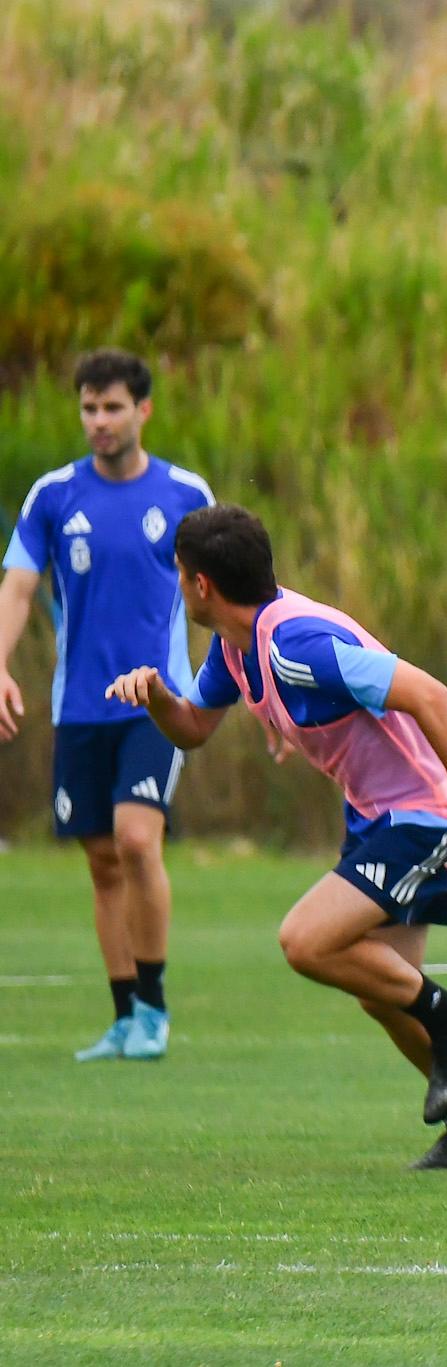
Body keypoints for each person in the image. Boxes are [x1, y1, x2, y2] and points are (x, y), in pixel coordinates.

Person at [106, 504, 447, 1170]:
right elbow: (195, 729)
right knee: (379, 986)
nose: (179, 587)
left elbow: (431, 696)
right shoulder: (239, 649)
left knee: (305, 939)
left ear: (202, 585)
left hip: (433, 804)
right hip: (384, 810)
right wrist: (153, 694)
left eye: (181, 575)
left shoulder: (297, 647)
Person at [0, 349, 214, 1062]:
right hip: (80, 708)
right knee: (101, 860)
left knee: (135, 839)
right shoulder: (54, 496)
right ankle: (125, 1015)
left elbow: (232, 596)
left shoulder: (185, 495)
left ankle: (154, 1009)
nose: (99, 420)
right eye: (89, 407)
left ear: (143, 410)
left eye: (113, 406)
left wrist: (261, 688)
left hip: (156, 703)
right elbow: (19, 588)